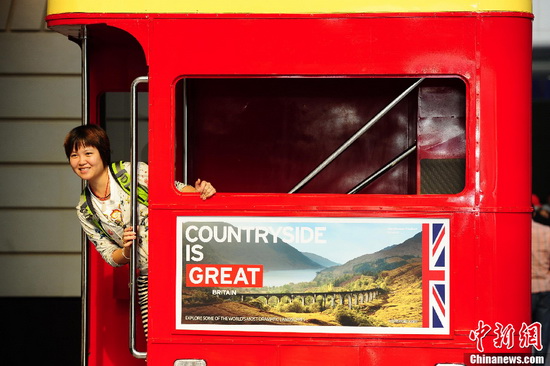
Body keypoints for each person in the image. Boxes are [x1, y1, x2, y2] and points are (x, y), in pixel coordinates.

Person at [63, 124, 216, 337]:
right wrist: (126, 250)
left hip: (188, 269)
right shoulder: (85, 209)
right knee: (158, 343)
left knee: (200, 339)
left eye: (88, 153)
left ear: (102, 153)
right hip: (149, 279)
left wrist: (200, 193)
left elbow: (178, 190)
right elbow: (110, 256)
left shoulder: (130, 172)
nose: (81, 161)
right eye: (74, 155)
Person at [532, 216, 550, 362]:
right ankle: (539, 360)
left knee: (520, 327)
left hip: (522, 290)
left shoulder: (512, 232)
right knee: (543, 327)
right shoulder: (546, 232)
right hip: (544, 285)